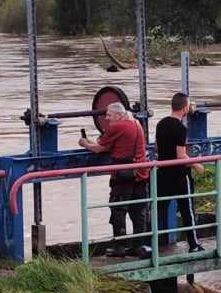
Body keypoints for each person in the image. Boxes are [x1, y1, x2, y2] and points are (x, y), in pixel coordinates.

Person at [80, 98, 149, 254]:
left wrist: (84, 143)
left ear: (118, 115)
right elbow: (112, 144)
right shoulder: (136, 123)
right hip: (141, 172)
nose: (106, 118)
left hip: (124, 174)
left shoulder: (117, 126)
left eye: (109, 115)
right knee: (138, 211)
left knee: (118, 210)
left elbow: (98, 148)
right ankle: (138, 246)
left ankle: (119, 247)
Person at [153, 91, 203, 253]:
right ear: (185, 107)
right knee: (187, 210)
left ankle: (149, 244)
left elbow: (156, 148)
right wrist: (196, 165)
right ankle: (193, 245)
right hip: (179, 176)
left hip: (162, 173)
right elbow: (180, 156)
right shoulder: (180, 128)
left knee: (158, 209)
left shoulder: (160, 124)